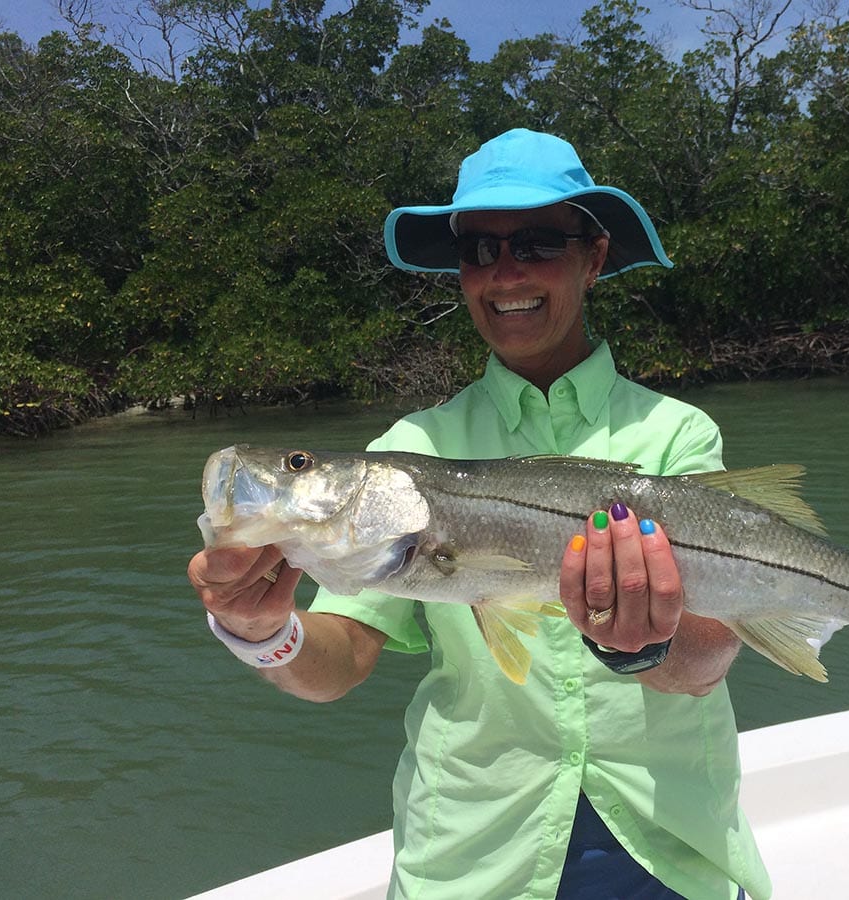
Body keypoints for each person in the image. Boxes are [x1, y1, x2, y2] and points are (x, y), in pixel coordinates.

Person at [189, 128, 772, 900]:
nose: (505, 274)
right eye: (478, 251)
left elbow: (704, 664)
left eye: (535, 243)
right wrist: (262, 632)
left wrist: (640, 649)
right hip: (472, 855)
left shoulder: (677, 436)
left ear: (593, 257)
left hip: (670, 846)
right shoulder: (406, 448)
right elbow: (338, 664)